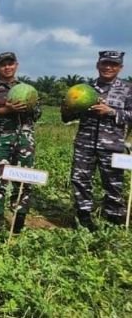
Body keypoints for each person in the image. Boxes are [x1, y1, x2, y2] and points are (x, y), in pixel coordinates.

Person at [62, 51, 132, 230]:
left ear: (120, 67)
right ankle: (83, 216)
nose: (108, 67)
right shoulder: (84, 89)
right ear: (97, 65)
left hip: (113, 145)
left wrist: (111, 112)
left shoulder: (128, 89)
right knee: (80, 179)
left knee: (113, 182)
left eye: (113, 64)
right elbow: (66, 117)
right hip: (85, 144)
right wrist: (68, 107)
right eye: (105, 63)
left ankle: (114, 216)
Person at [0, 52, 41, 234]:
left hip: (25, 140)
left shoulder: (27, 88)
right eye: (3, 65)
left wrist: (28, 106)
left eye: (10, 64)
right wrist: (5, 110)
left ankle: (18, 222)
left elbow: (38, 114)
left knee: (24, 181)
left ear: (16, 65)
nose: (7, 67)